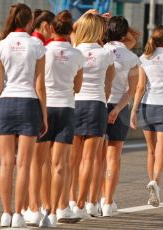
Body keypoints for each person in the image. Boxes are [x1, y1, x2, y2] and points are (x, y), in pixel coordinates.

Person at [0, 3, 48, 227]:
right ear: (29, 22)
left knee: (6, 163)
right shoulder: (36, 46)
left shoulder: (0, 46)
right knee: (24, 164)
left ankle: (5, 213)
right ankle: (18, 215)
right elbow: (40, 85)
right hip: (29, 104)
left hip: (5, 103)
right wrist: (43, 116)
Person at [35, 10, 85, 227]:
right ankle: (56, 210)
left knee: (42, 163)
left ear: (52, 29)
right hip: (66, 108)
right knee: (60, 165)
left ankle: (42, 207)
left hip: (44, 108)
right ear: (70, 31)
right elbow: (77, 87)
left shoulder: (42, 51)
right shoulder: (77, 55)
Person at [130, 25, 163, 207]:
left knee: (150, 149)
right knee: (162, 147)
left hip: (147, 105)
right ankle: (156, 181)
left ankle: (151, 180)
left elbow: (140, 87)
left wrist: (134, 110)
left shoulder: (144, 58)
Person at [68, 13, 114, 218]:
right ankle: (80, 204)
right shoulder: (106, 53)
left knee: (72, 159)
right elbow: (108, 86)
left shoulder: (75, 49)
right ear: (100, 31)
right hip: (96, 104)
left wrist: (86, 15)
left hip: (75, 103)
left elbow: (70, 29)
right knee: (89, 159)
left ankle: (68, 200)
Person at [101, 16, 139, 216]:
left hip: (99, 104)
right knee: (113, 156)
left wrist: (105, 22)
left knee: (95, 157)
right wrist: (117, 109)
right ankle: (107, 202)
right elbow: (131, 90)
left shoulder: (100, 50)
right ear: (124, 33)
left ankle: (93, 199)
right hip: (120, 106)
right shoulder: (131, 57)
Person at [24, 9, 55, 226]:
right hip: (35, 104)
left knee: (27, 162)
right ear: (45, 25)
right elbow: (40, 85)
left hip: (15, 102)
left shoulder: (26, 43)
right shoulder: (39, 46)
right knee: (37, 162)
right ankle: (34, 207)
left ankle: (28, 206)